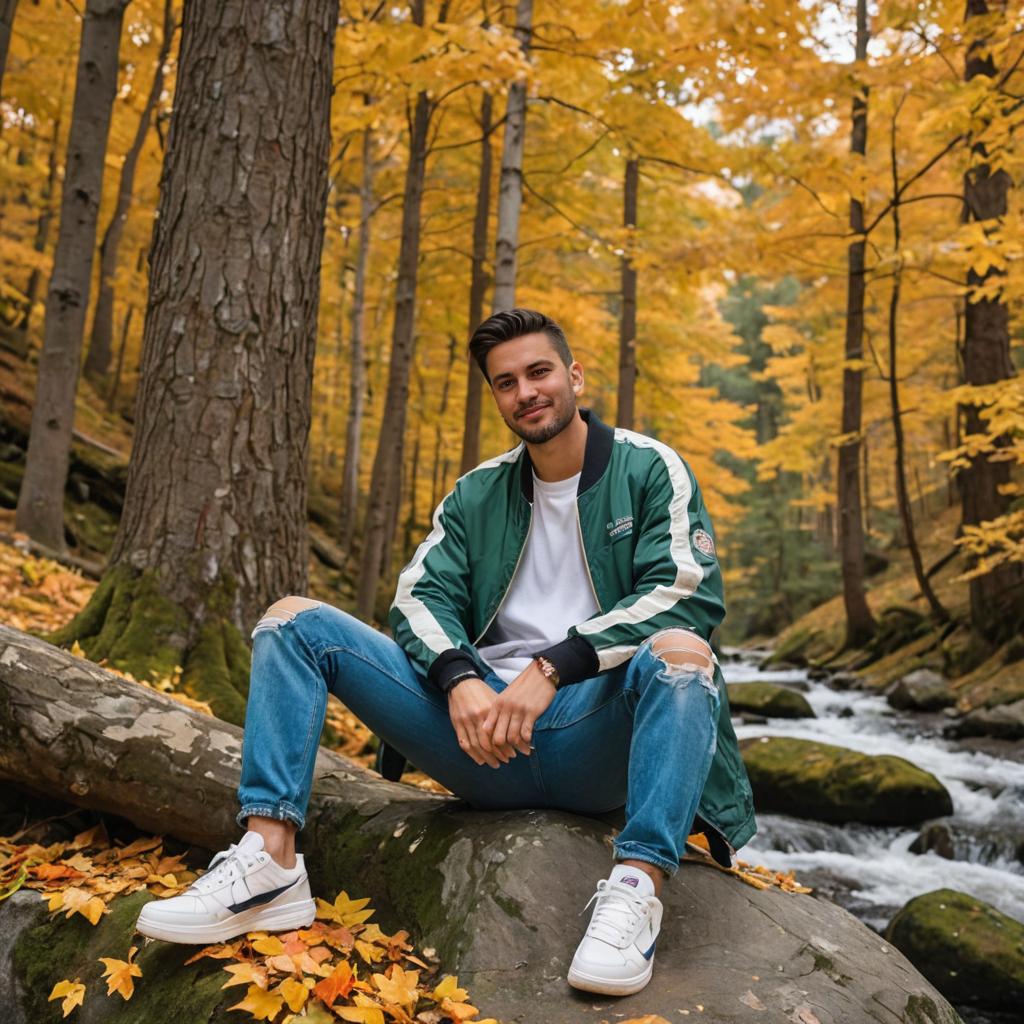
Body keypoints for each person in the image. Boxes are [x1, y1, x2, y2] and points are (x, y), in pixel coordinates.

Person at [135, 308, 756, 996]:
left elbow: (685, 592)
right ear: (496, 397)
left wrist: (554, 667)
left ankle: (636, 888)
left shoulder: (648, 468)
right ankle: (270, 860)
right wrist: (461, 679)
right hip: (482, 737)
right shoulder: (477, 493)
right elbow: (416, 600)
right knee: (292, 622)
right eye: (506, 382)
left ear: (574, 376)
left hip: (595, 737)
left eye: (540, 372)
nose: (526, 392)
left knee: (682, 652)